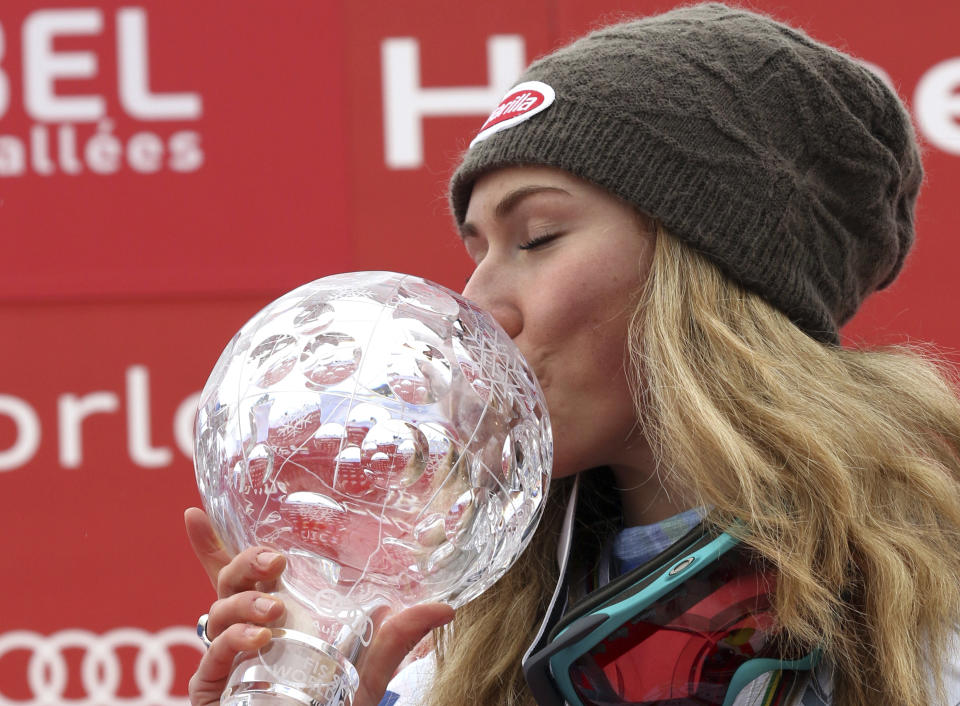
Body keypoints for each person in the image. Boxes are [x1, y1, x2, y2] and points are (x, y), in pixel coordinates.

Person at [185, 4, 960, 705]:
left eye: (538, 238)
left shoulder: (928, 633)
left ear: (712, 274)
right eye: (478, 249)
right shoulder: (445, 662)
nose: (479, 306)